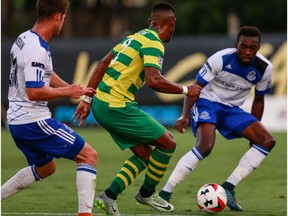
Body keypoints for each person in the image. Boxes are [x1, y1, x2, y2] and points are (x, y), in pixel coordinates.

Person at [73, 2, 201, 215]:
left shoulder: (134, 37)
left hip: (103, 103)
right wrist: (187, 90)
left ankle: (109, 196)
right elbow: (154, 80)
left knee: (144, 155)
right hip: (116, 106)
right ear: (172, 23)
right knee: (168, 143)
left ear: (150, 21)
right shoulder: (154, 43)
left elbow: (101, 65)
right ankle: (147, 193)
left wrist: (87, 100)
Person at [159, 26, 276, 212]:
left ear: (258, 48)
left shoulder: (265, 68)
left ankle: (228, 188)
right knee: (205, 146)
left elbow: (259, 100)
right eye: (243, 46)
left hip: (232, 110)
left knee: (267, 140)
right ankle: (164, 194)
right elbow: (195, 87)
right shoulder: (220, 58)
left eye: (252, 48)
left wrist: (254, 134)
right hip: (207, 102)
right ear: (235, 45)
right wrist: (185, 115)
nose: (247, 51)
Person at [1, 1, 98, 216]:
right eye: (64, 16)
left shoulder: (25, 38)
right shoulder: (37, 48)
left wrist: (74, 89)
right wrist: (68, 92)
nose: (63, 21)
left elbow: (44, 74)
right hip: (33, 120)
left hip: (17, 122)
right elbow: (34, 91)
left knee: (46, 168)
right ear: (58, 16)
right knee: (88, 156)